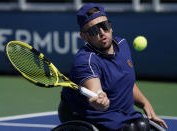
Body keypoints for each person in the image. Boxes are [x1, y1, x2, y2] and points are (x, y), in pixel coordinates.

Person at [58, 3, 168, 131]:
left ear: (110, 27)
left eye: (104, 26)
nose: (101, 32)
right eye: (93, 30)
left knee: (141, 126)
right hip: (84, 115)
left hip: (116, 111)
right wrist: (99, 99)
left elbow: (126, 82)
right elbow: (95, 90)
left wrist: (144, 103)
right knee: (134, 128)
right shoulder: (85, 60)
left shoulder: (122, 45)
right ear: (84, 37)